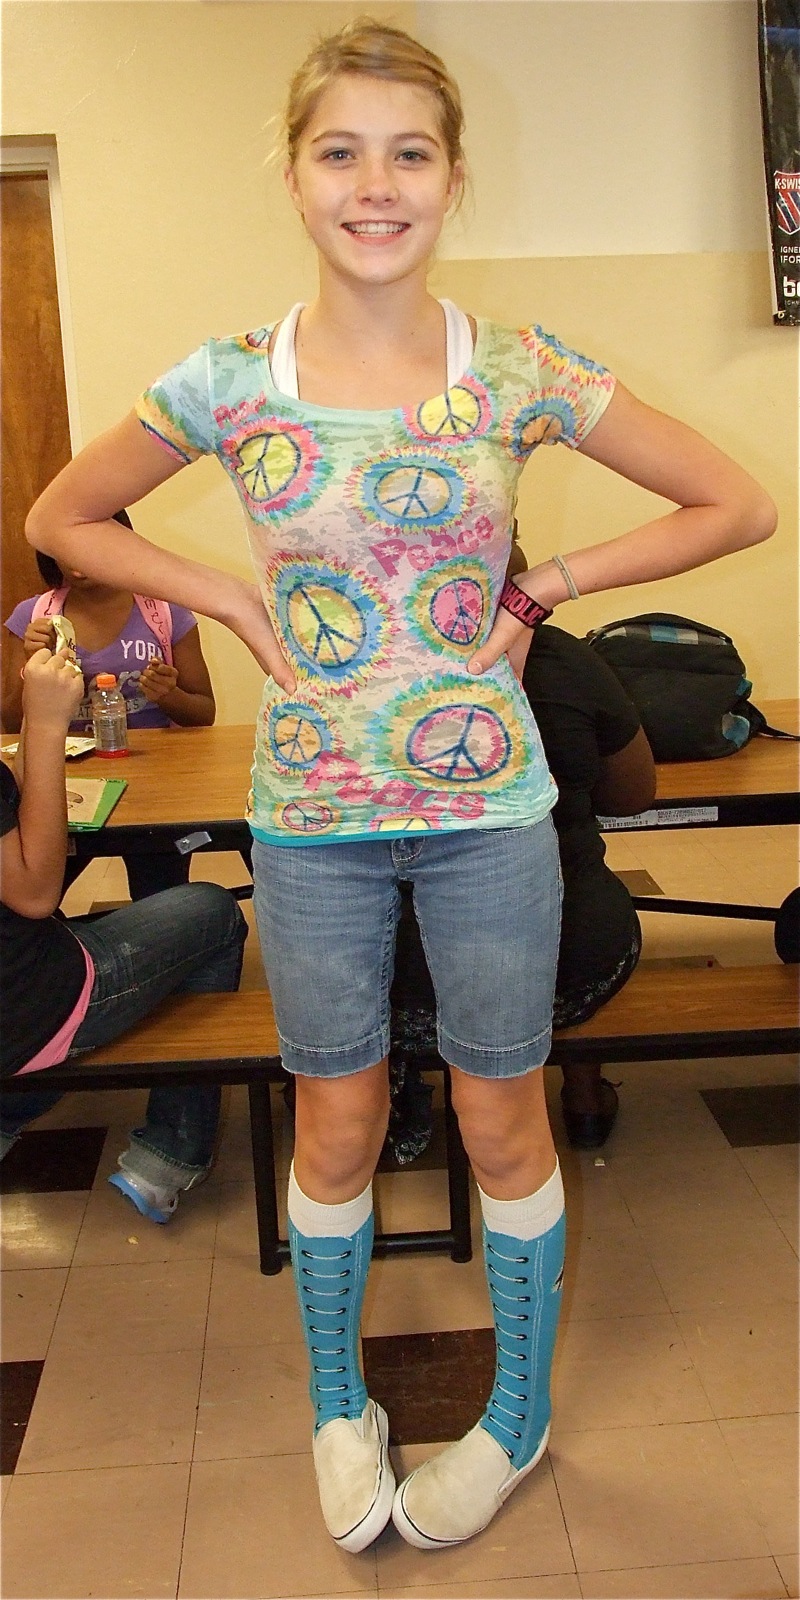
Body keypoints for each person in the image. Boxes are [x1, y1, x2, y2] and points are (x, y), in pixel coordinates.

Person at [24, 19, 776, 1553]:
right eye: (342, 152)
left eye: (410, 153)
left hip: (491, 819)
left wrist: (548, 582)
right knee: (335, 1126)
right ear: (295, 177)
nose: (376, 185)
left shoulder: (517, 368)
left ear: (452, 176)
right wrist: (225, 596)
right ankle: (334, 1407)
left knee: (503, 1125)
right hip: (313, 824)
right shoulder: (228, 380)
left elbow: (734, 501)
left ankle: (517, 1412)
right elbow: (66, 514)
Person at [389, 605, 657, 1157]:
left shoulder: (364, 666)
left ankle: (388, 1096)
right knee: (568, 911)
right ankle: (583, 1097)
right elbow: (633, 795)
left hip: (399, 981)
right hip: (573, 961)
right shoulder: (564, 659)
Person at [0, 640, 248, 1222]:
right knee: (214, 913)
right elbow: (35, 894)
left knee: (156, 919)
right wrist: (47, 726)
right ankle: (168, 1156)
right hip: (21, 1006)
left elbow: (201, 709)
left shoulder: (169, 627)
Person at [3, 509, 216, 900]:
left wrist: (168, 695)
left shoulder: (165, 613)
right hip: (65, 783)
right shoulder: (33, 618)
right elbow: (12, 722)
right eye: (64, 550)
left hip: (154, 781)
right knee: (38, 894)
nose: (77, 564)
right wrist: (31, 670)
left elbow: (204, 713)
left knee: (160, 894)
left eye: (89, 547)